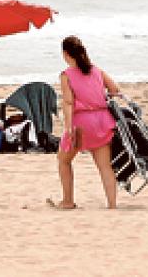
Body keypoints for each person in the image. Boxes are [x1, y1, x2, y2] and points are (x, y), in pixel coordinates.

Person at [48, 36, 122, 210]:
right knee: (104, 166)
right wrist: (101, 97)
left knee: (64, 160)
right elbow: (115, 90)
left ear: (66, 54)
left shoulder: (66, 75)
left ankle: (68, 201)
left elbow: (68, 102)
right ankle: (112, 204)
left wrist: (68, 127)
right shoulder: (96, 70)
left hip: (82, 123)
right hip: (103, 121)